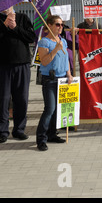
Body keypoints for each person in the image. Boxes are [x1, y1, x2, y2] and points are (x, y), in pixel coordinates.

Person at [0, 7, 35, 143]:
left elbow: (31, 37)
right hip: (2, 66)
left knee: (21, 99)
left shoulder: (23, 18)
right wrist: (4, 27)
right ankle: (2, 132)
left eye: (9, 3)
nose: (6, 6)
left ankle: (19, 130)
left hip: (22, 64)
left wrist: (15, 27)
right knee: (2, 100)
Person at [36, 15, 74, 151]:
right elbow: (44, 61)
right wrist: (56, 49)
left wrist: (69, 74)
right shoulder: (44, 42)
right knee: (50, 109)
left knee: (58, 110)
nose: (60, 27)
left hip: (62, 78)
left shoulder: (62, 40)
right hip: (49, 79)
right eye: (58, 24)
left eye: (62, 25)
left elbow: (66, 61)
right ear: (49, 26)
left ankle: (52, 134)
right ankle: (41, 138)